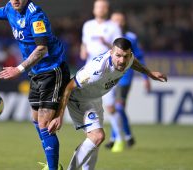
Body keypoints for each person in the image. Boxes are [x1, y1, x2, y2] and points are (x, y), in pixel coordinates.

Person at [0, 0, 70, 169]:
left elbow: (42, 49)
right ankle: (53, 165)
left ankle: (53, 168)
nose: (15, 0)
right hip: (35, 72)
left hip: (52, 69)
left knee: (44, 122)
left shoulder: (36, 16)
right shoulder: (9, 8)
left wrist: (18, 69)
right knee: (36, 120)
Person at [53, 38, 167, 170]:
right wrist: (59, 115)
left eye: (125, 56)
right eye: (118, 56)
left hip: (95, 98)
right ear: (111, 52)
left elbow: (133, 62)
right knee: (98, 136)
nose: (122, 61)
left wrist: (150, 73)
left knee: (95, 141)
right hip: (79, 98)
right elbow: (68, 87)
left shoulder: (128, 59)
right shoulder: (96, 70)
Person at [80, 0, 124, 152]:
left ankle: (119, 138)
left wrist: (107, 44)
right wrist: (83, 50)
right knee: (86, 103)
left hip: (107, 71)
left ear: (107, 9)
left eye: (103, 7)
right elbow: (84, 43)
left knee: (110, 106)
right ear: (94, 9)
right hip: (90, 70)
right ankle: (91, 134)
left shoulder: (113, 27)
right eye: (98, 6)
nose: (100, 9)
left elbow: (120, 50)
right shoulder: (88, 25)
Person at [103, 11, 152, 150]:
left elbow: (139, 57)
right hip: (109, 76)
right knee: (113, 108)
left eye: (120, 19)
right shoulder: (107, 36)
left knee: (118, 107)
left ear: (124, 22)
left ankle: (119, 137)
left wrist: (145, 77)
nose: (117, 22)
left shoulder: (131, 37)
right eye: (114, 20)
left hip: (125, 77)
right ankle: (122, 136)